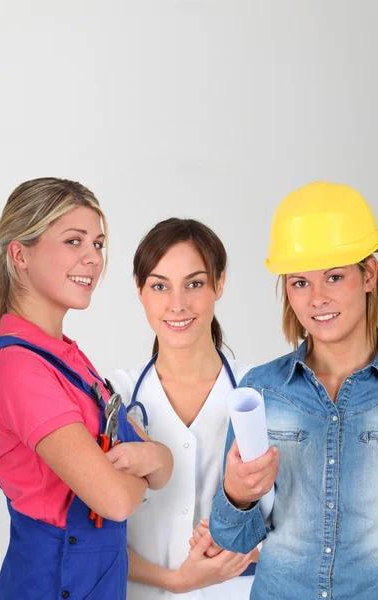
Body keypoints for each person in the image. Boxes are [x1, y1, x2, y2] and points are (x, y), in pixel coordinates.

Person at [207, 181, 378, 600]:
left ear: (368, 275)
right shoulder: (262, 390)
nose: (317, 298)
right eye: (300, 282)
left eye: (334, 276)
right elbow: (235, 540)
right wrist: (237, 493)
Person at [0, 178, 173, 600]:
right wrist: (145, 465)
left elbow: (162, 465)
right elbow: (115, 500)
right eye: (74, 241)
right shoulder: (19, 369)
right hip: (52, 584)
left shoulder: (68, 357)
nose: (92, 258)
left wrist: (153, 458)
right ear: (20, 254)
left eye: (98, 244)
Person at [110, 218, 258, 599]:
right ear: (140, 291)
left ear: (219, 284)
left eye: (195, 284)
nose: (177, 305)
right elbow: (87, 530)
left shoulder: (260, 389)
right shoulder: (114, 395)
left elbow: (303, 516)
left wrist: (247, 545)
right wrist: (176, 582)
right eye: (160, 286)